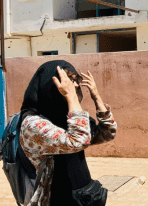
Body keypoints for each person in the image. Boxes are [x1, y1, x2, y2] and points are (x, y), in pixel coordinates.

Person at [19, 60, 117, 206]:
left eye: (75, 80)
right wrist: (71, 96)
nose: (75, 85)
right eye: (68, 80)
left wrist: (96, 96)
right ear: (49, 85)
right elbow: (79, 141)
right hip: (57, 198)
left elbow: (107, 133)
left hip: (85, 196)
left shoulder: (67, 116)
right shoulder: (33, 124)